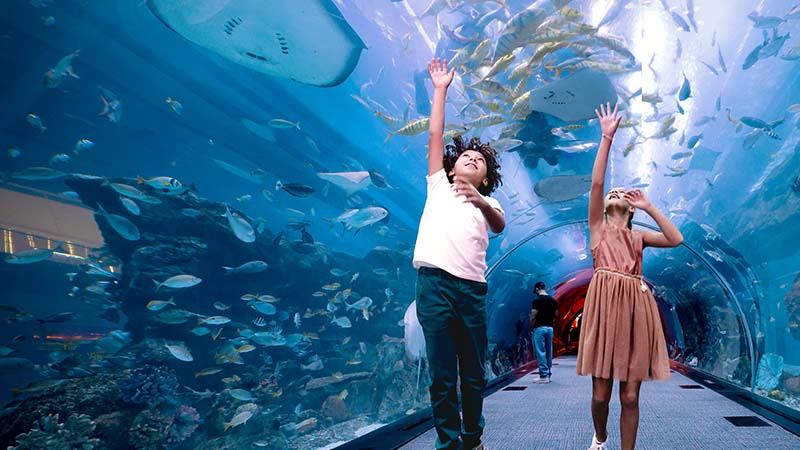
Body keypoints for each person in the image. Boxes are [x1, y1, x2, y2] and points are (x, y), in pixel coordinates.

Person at [576, 103, 684, 450]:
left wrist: (650, 206)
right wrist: (606, 137)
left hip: (637, 310)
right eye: (613, 192)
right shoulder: (598, 230)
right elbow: (595, 184)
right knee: (600, 395)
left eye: (624, 193)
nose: (616, 193)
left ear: (632, 208)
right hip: (605, 308)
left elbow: (675, 238)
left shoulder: (640, 236)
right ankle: (601, 435)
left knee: (631, 396)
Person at [413, 58, 505, 450]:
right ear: (452, 168)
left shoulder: (491, 202)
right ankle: (448, 444)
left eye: (480, 161)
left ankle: (472, 438)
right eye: (467, 157)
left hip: (471, 290)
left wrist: (480, 201)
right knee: (441, 373)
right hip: (433, 284)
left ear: (486, 178)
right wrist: (440, 89)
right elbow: (435, 135)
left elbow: (499, 226)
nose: (472, 160)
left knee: (473, 372)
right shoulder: (438, 184)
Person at [529, 281, 558, 383]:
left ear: (537, 289)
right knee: (548, 351)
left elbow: (533, 316)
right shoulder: (553, 301)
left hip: (539, 328)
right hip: (550, 328)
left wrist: (531, 328)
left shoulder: (536, 300)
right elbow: (556, 315)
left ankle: (543, 376)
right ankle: (548, 374)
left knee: (540, 352)